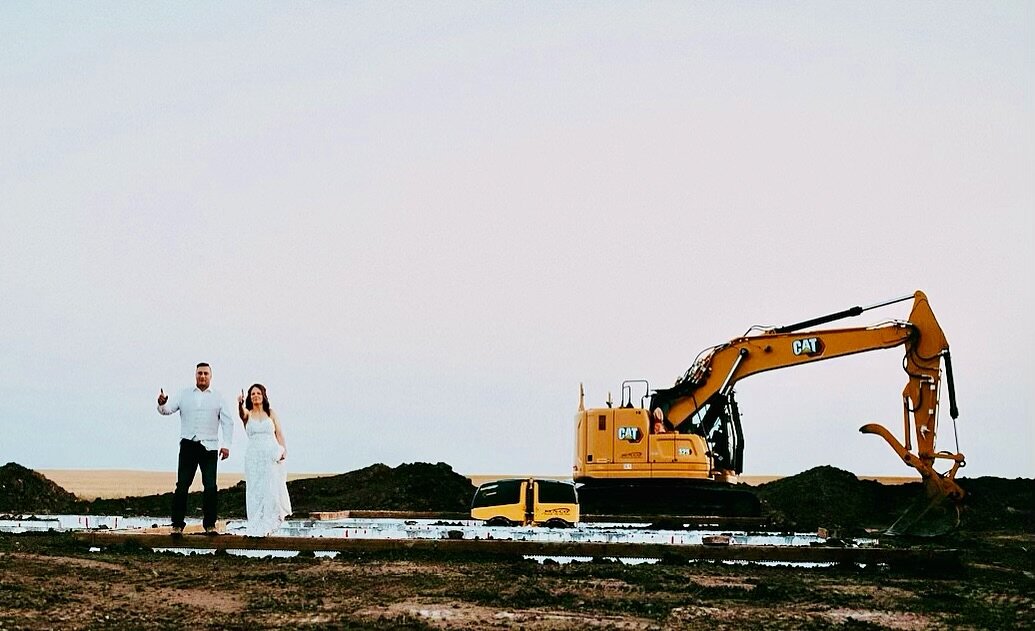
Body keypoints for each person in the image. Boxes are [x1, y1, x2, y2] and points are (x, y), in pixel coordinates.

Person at [157, 362, 234, 536]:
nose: (202, 376)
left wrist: (226, 445)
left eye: (206, 373)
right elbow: (167, 410)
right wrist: (161, 404)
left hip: (210, 447)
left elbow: (227, 421)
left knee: (210, 486)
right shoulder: (184, 394)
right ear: (195, 375)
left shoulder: (219, 397)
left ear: (211, 376)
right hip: (188, 446)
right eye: (200, 373)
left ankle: (210, 525)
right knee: (182, 485)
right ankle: (177, 525)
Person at [237, 383, 292, 536]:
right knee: (255, 490)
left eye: (258, 393)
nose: (255, 396)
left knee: (270, 488)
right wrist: (240, 404)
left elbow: (279, 433)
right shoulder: (247, 414)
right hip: (254, 457)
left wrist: (284, 449)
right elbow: (241, 414)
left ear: (263, 396)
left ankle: (269, 523)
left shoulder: (271, 413)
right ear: (249, 397)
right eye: (253, 394)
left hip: (270, 455)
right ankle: (256, 523)